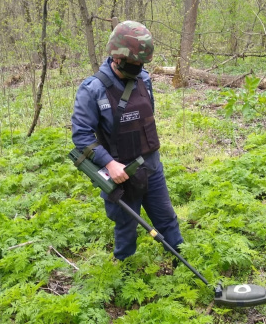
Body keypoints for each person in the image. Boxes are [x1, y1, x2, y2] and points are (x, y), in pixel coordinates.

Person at [71, 20, 183, 262]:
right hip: (121, 175)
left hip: (151, 167)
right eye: (134, 64)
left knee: (167, 219)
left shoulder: (145, 79)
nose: (139, 68)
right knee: (126, 228)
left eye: (142, 64)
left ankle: (182, 261)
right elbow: (81, 137)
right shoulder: (92, 90)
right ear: (117, 58)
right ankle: (125, 271)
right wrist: (109, 164)